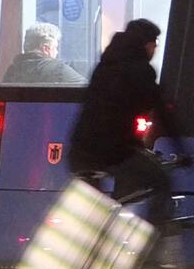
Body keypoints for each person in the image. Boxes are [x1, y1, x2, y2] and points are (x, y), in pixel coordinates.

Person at [68, 18, 179, 221]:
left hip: (80, 151)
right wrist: (181, 148)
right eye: (154, 44)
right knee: (161, 181)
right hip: (112, 153)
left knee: (104, 211)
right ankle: (155, 233)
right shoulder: (141, 70)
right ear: (146, 44)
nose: (155, 49)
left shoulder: (105, 66)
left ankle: (103, 235)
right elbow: (161, 112)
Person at [3, 22, 85, 85]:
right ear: (46, 48)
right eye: (55, 48)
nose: (57, 52)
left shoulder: (11, 71)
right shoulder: (57, 69)